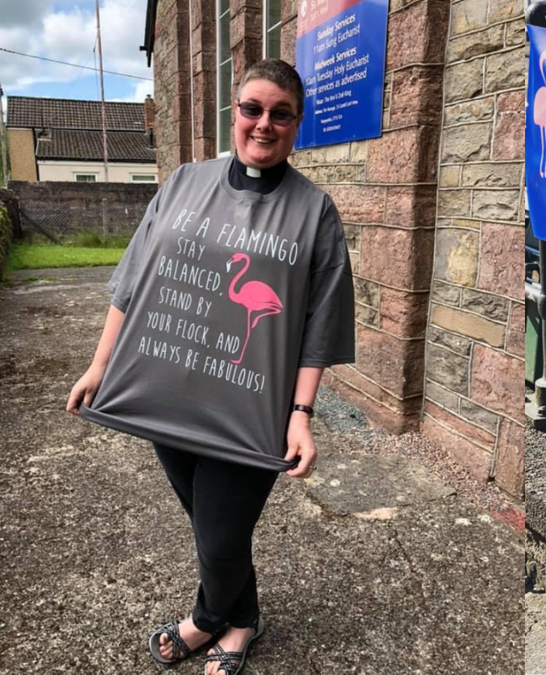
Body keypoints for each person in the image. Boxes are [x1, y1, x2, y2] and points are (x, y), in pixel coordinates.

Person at [66, 59, 355, 675]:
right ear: (235, 112)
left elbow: (319, 326)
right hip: (168, 394)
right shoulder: (183, 183)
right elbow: (134, 284)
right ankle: (242, 614)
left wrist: (302, 414)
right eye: (253, 108)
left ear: (297, 124)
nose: (264, 123)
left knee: (221, 534)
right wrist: (100, 366)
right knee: (208, 523)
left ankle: (211, 618)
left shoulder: (314, 212)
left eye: (281, 113)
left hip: (252, 408)